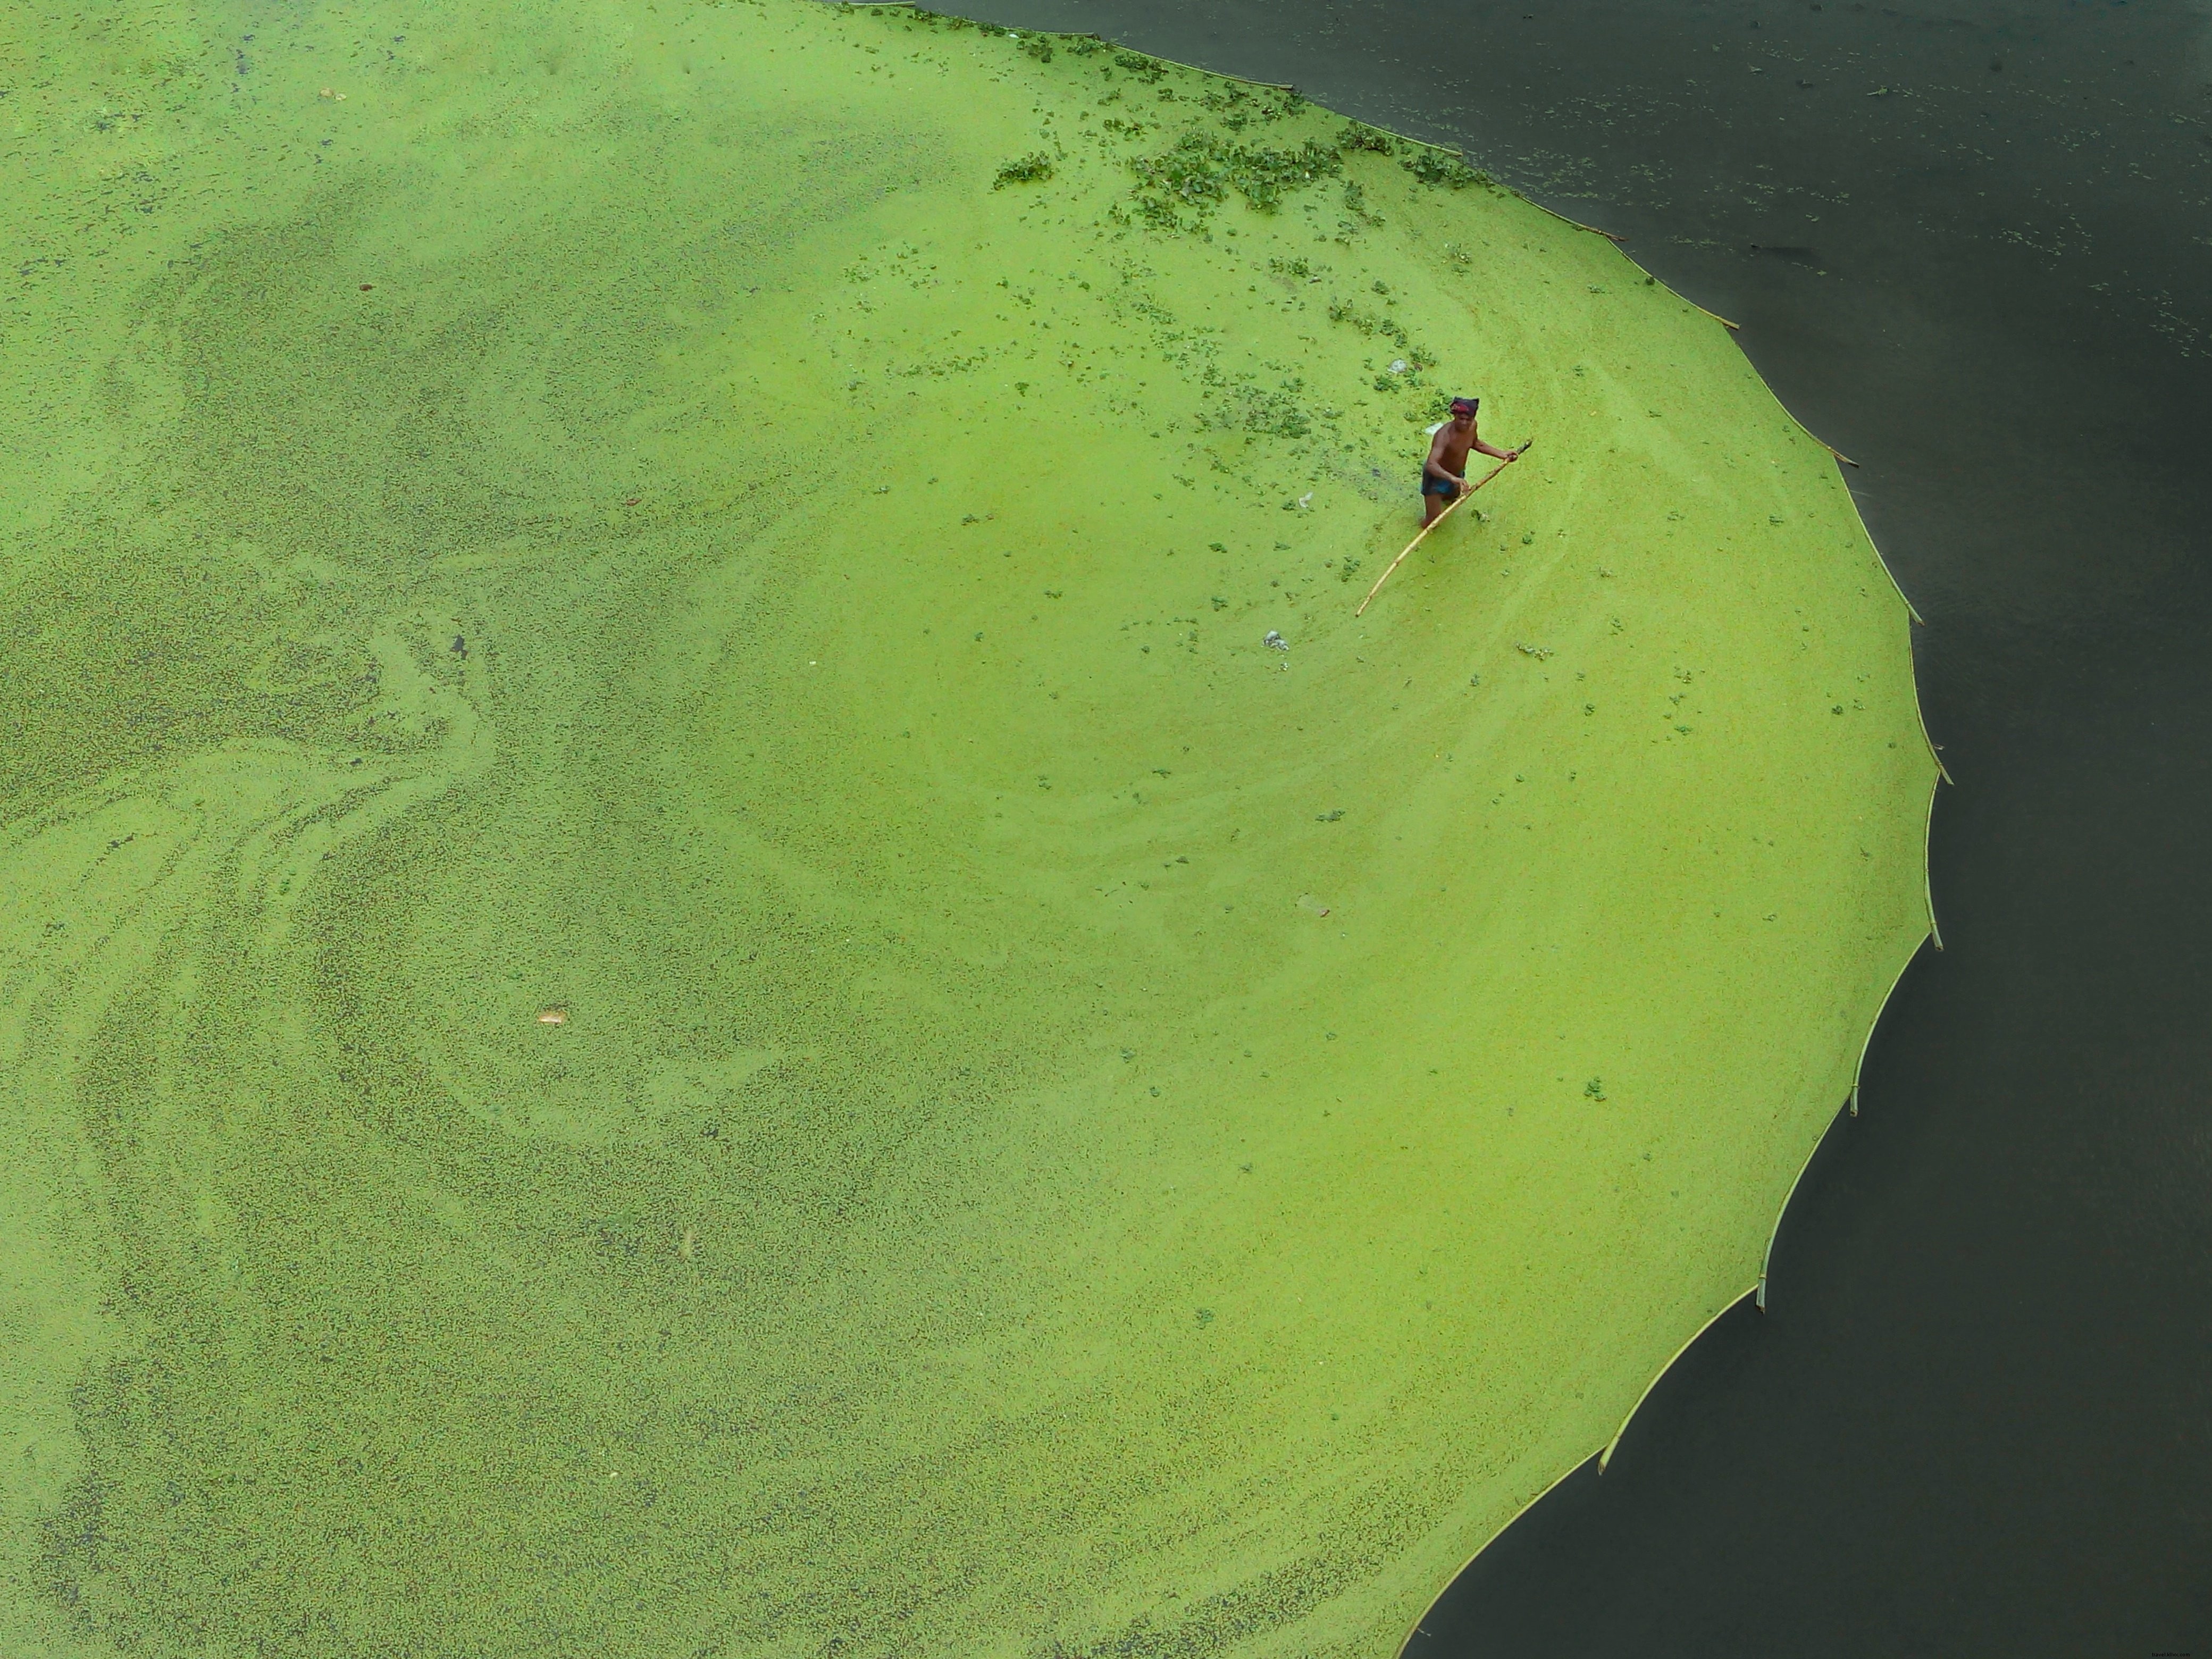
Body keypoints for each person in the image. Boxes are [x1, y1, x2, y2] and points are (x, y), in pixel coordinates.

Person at [1421, 396, 1522, 526]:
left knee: (1453, 497)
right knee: (1433, 520)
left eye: (1468, 420)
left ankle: (1447, 495)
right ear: (1455, 416)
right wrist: (1453, 479)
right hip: (1437, 478)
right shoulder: (1444, 435)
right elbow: (1431, 465)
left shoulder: (1472, 427)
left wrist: (1501, 454)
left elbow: (1475, 443)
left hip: (1458, 474)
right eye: (1461, 419)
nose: (1465, 423)